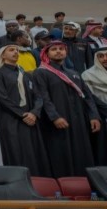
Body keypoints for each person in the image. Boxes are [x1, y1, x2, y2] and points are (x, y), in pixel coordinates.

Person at [35, 41, 101, 177]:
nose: (58, 51)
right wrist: (55, 117)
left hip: (79, 121)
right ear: (46, 53)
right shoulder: (41, 72)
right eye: (54, 49)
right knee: (61, 154)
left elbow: (88, 97)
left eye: (61, 49)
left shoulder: (74, 73)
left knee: (82, 152)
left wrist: (94, 116)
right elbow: (43, 98)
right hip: (57, 122)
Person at [0, 43, 51, 176]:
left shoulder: (26, 74)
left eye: (17, 50)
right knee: (15, 152)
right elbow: (2, 98)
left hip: (31, 119)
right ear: (2, 55)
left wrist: (34, 113)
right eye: (11, 50)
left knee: (33, 152)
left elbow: (38, 96)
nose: (16, 52)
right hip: (10, 120)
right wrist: (23, 114)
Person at [82, 47, 107, 165]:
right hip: (100, 115)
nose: (105, 59)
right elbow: (89, 97)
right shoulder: (88, 75)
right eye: (101, 56)